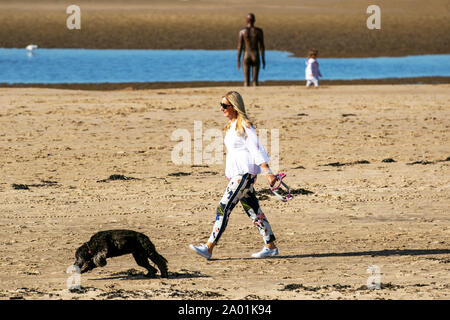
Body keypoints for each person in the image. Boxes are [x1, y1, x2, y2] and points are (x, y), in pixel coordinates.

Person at [189, 91, 278, 259]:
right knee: (254, 211)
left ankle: (209, 247)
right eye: (221, 105)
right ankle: (270, 246)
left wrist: (268, 172)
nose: (221, 108)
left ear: (234, 106)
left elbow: (256, 149)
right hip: (237, 175)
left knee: (223, 207)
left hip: (244, 174)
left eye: (225, 105)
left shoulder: (244, 124)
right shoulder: (231, 125)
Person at [237, 13, 266, 87]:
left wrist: (238, 60)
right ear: (254, 20)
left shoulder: (242, 32)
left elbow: (240, 47)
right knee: (255, 81)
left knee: (246, 82)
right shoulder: (259, 31)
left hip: (246, 55)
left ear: (247, 21)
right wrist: (263, 59)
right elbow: (262, 46)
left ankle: (247, 94)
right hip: (255, 55)